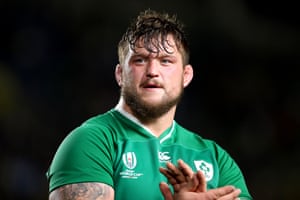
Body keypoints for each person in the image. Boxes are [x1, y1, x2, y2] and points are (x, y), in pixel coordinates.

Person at [46, 9, 253, 200]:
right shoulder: (90, 142)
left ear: (186, 76)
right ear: (120, 74)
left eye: (166, 61)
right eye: (140, 60)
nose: (153, 71)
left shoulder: (215, 157)